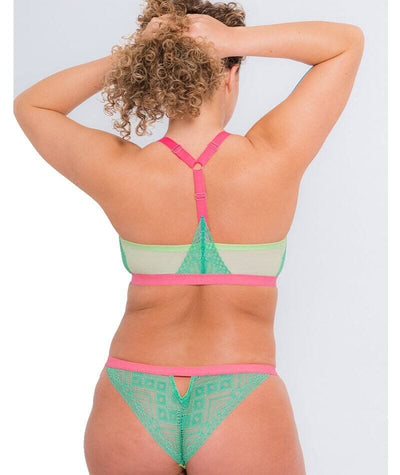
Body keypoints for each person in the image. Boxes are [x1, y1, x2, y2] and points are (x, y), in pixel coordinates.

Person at [13, 0, 364, 473]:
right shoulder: (273, 155)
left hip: (132, 392)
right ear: (230, 76)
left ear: (155, 76)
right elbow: (345, 43)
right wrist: (232, 40)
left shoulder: (122, 170)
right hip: (239, 390)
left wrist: (140, 52)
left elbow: (32, 105)